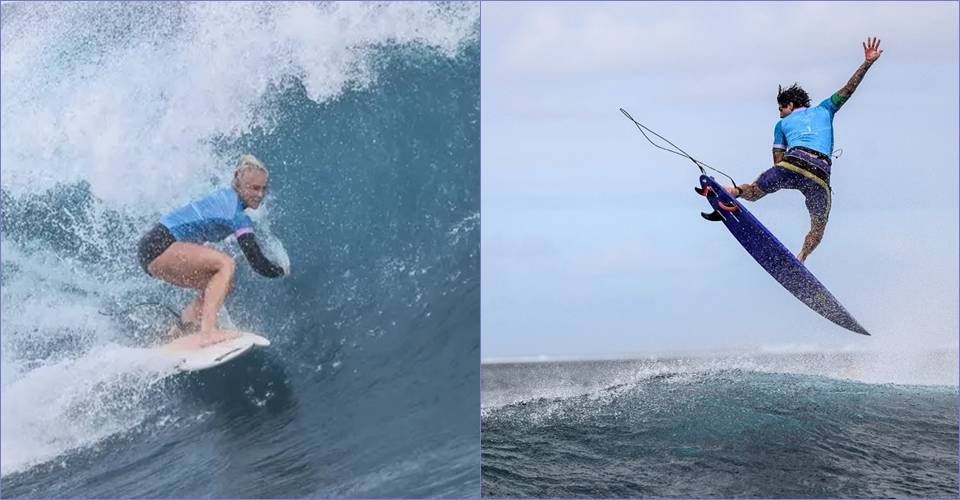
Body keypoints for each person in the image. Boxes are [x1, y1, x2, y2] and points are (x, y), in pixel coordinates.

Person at [725, 37, 883, 263]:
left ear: (791, 106)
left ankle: (733, 192)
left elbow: (778, 162)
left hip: (793, 163)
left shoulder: (781, 125)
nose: (779, 113)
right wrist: (867, 63)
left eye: (781, 108)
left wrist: (769, 184)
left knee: (753, 192)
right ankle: (801, 257)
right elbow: (848, 89)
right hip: (819, 174)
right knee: (818, 226)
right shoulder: (826, 109)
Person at [136, 154, 286, 346]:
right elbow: (257, 262)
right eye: (254, 188)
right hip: (159, 244)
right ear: (239, 182)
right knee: (225, 264)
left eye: (264, 189)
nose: (260, 194)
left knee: (223, 285)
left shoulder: (225, 197)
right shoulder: (236, 215)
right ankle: (209, 332)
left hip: (154, 249)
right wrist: (282, 271)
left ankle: (181, 331)